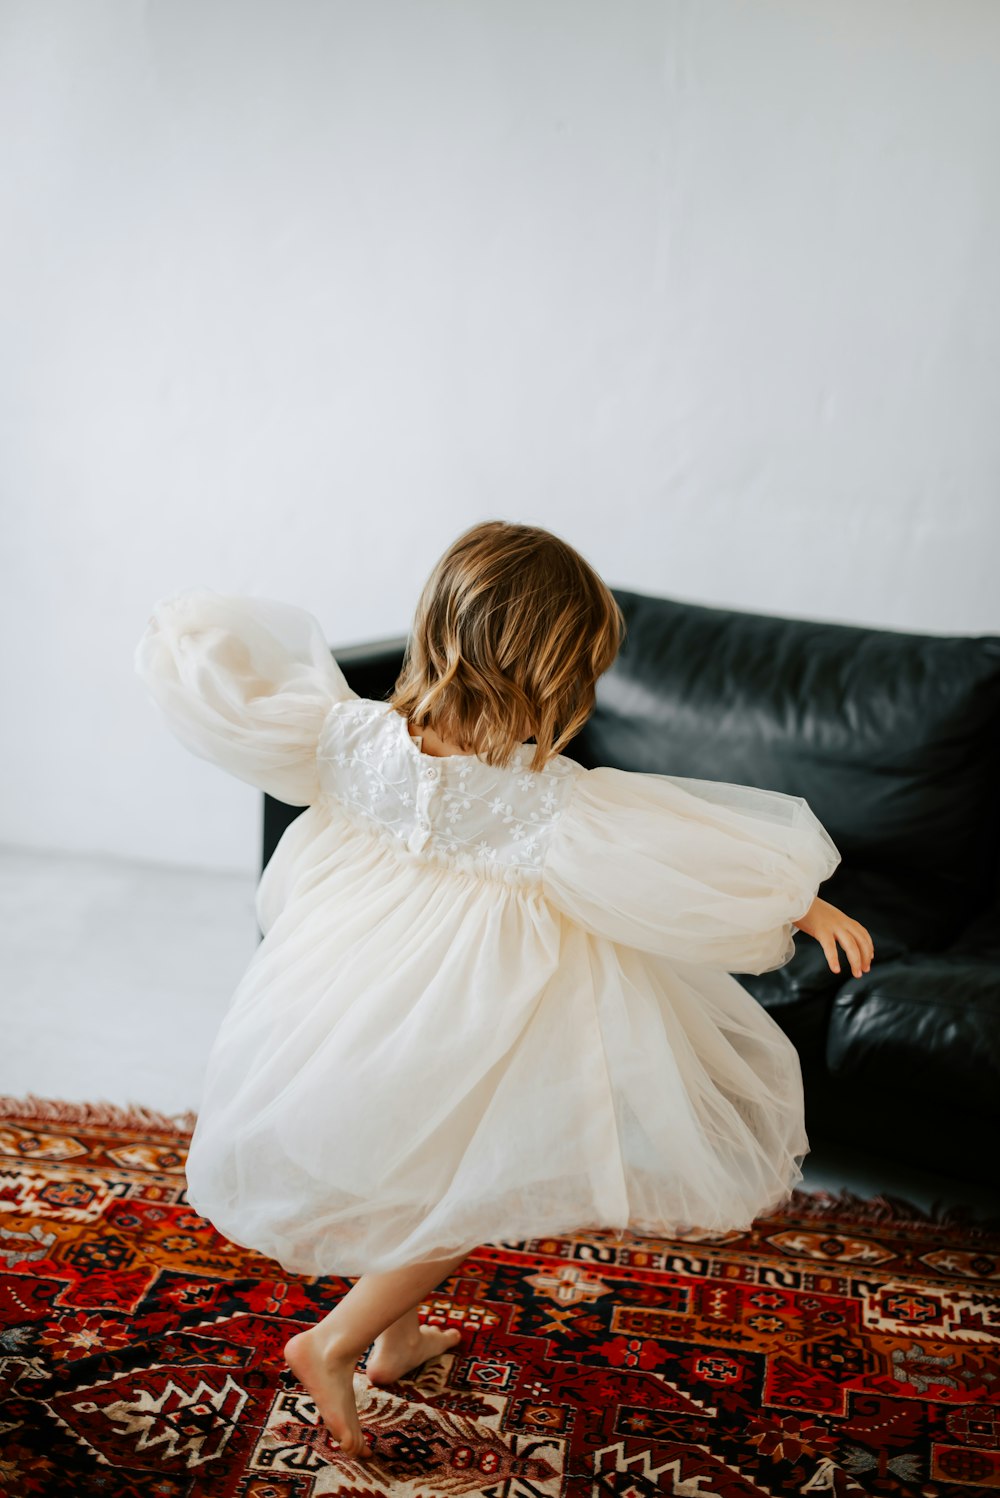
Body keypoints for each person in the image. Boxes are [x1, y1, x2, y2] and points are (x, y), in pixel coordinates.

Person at [133, 519, 873, 1461]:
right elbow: (667, 845)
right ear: (541, 670)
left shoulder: (352, 732)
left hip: (353, 970)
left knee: (404, 1156)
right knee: (462, 1195)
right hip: (476, 998)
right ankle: (330, 1345)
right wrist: (800, 904)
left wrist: (184, 640)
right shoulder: (539, 793)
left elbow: (237, 699)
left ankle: (396, 1340)